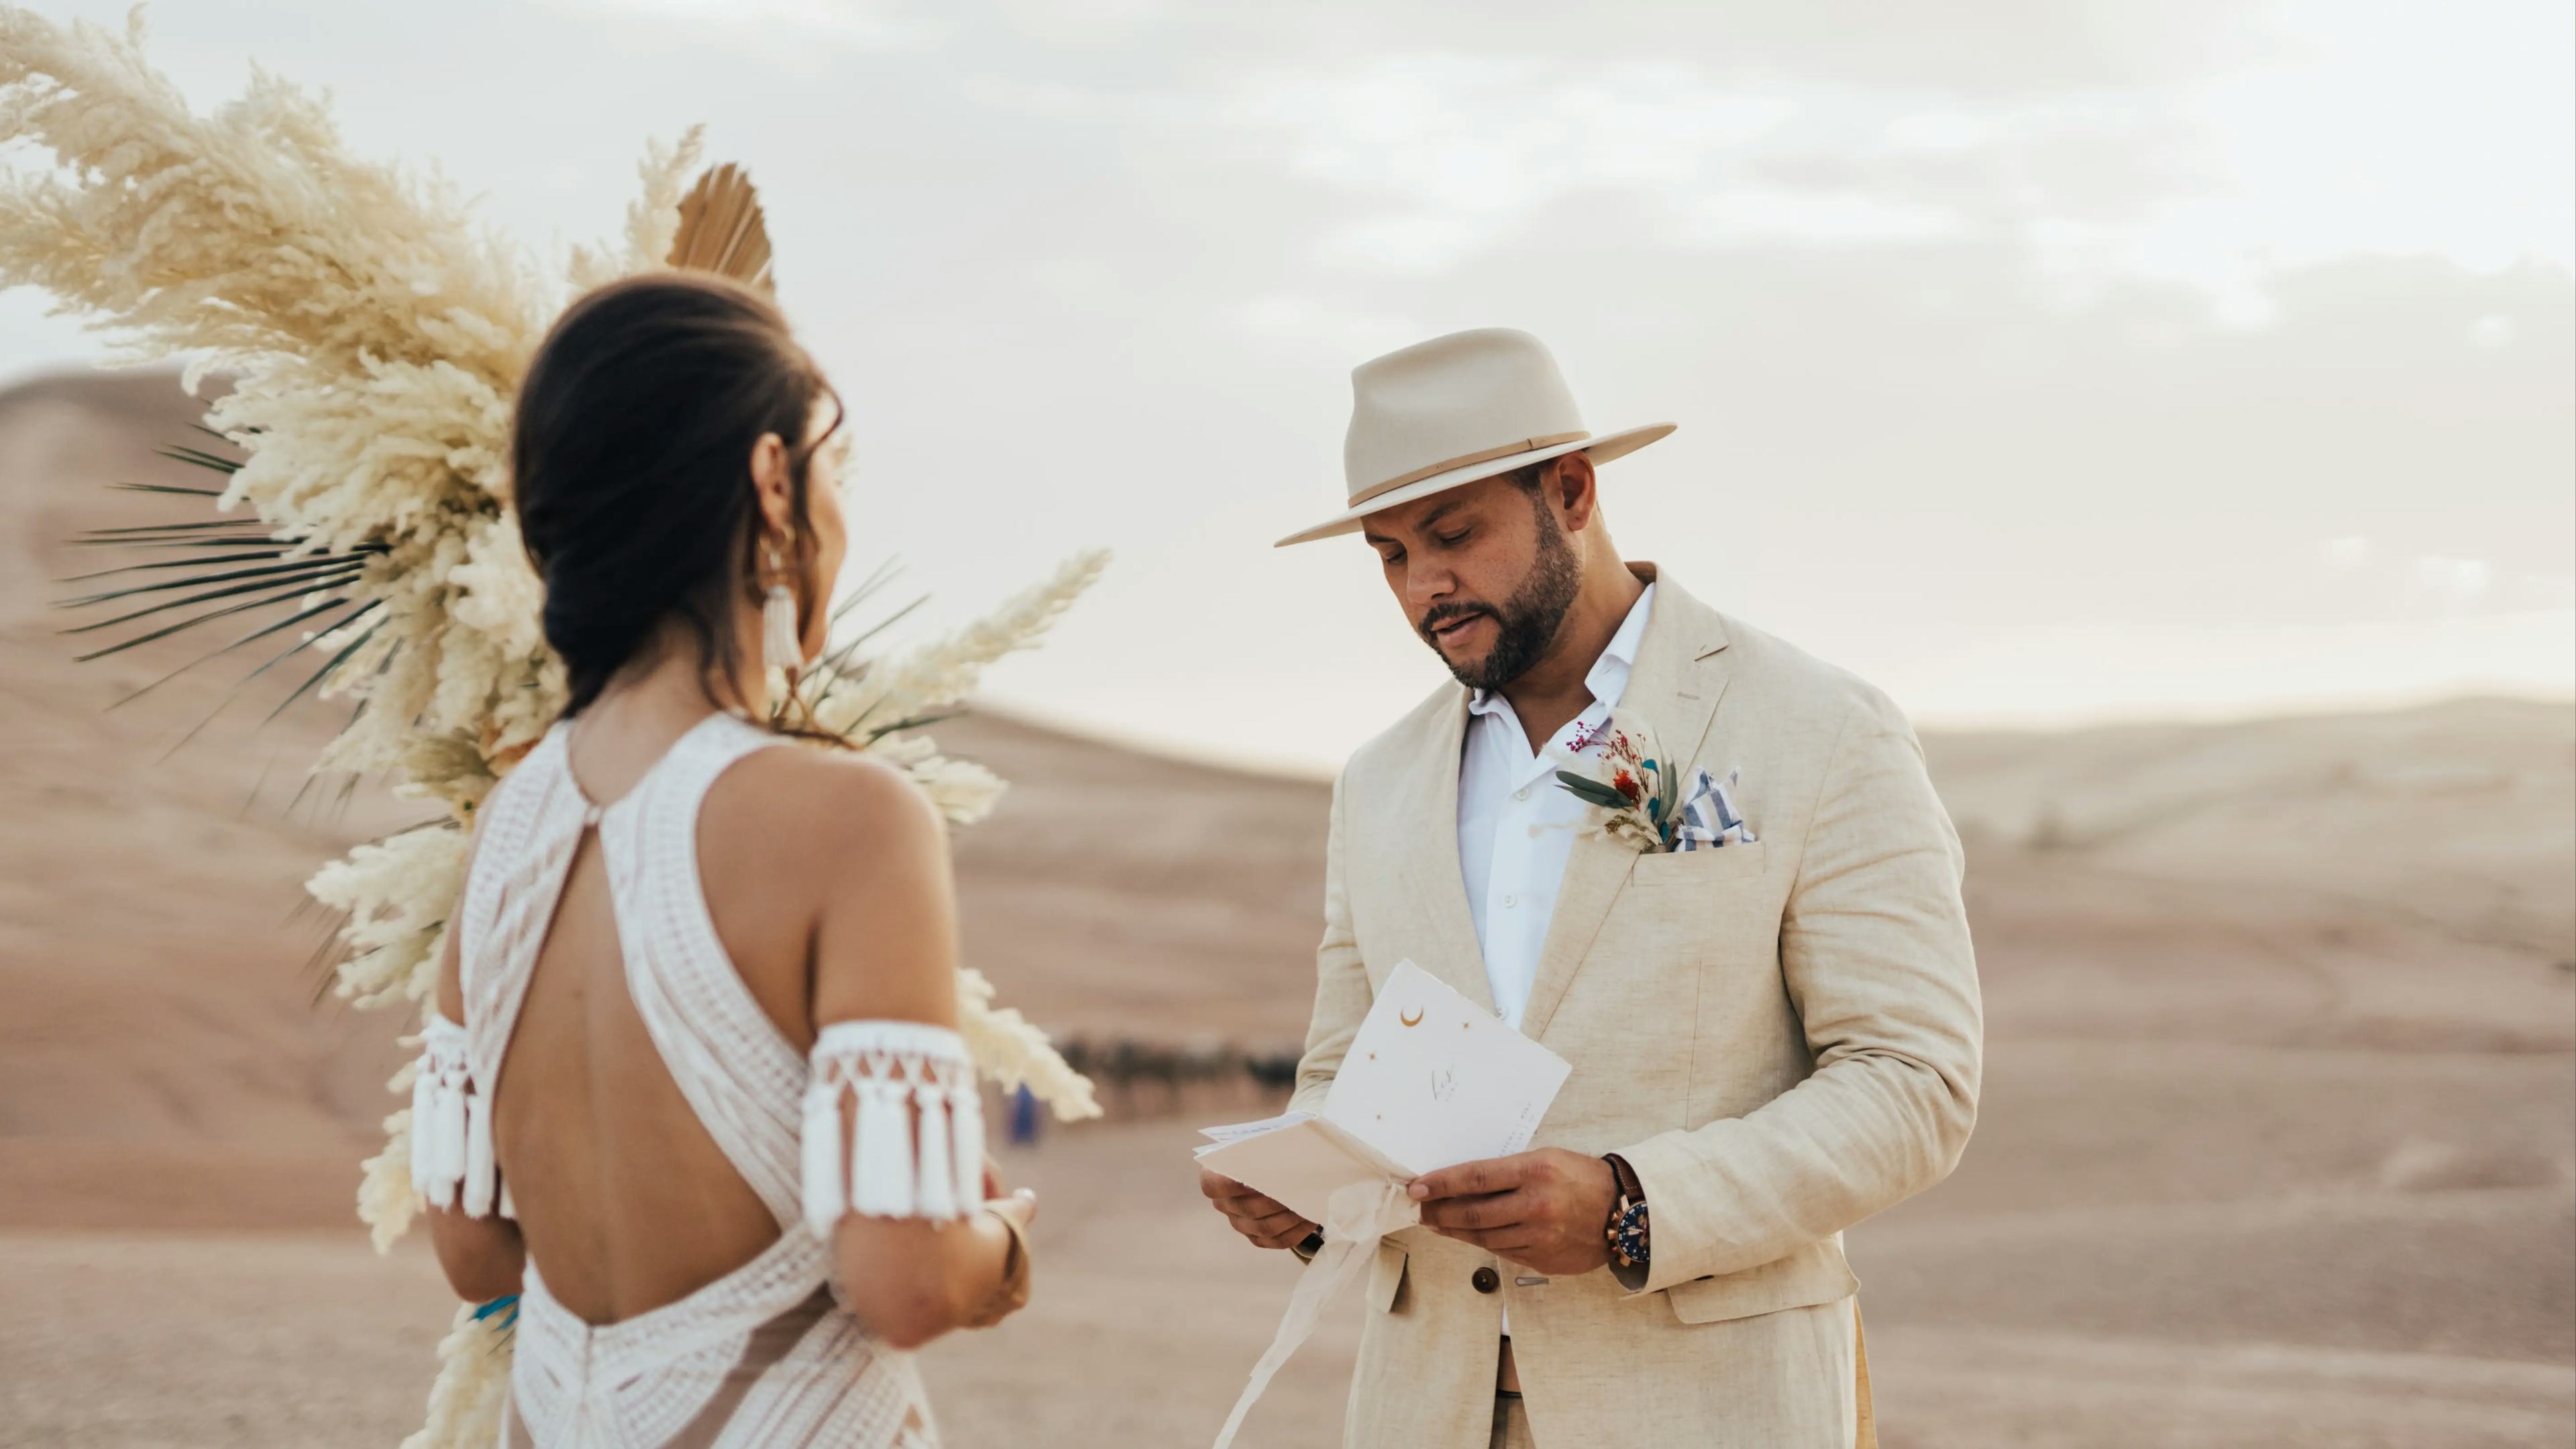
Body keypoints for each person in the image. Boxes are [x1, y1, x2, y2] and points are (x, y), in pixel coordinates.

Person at [1199, 327, 1982, 1449]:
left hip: (1707, 1404)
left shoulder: (1818, 728)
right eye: (1388, 555)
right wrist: (1305, 1188)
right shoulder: (1377, 786)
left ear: (1570, 490)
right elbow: (1343, 1073)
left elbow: (1914, 1084)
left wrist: (1631, 1204)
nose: (1427, 586)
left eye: (1454, 535)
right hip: (1426, 1409)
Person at [411, 272, 1036, 1448]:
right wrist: (999, 1250)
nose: (838, 507)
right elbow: (902, 1282)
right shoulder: (848, 817)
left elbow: (473, 1247)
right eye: (829, 468)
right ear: (769, 481)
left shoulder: (504, 825)